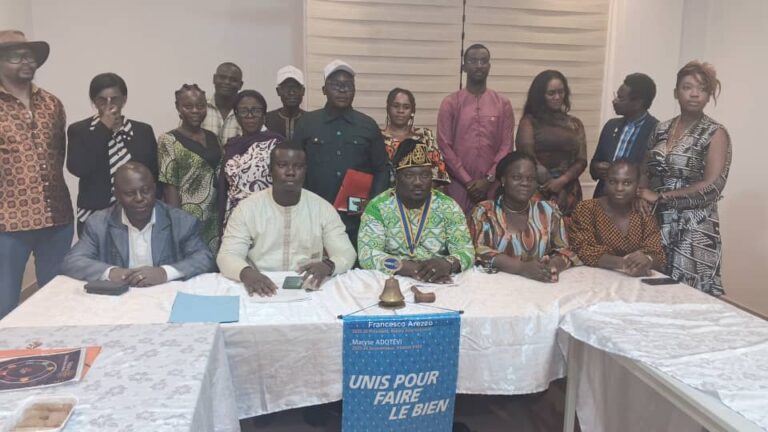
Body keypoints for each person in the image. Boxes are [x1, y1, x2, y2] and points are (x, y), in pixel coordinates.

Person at [638, 61, 732, 296]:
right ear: (676, 92)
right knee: (652, 288)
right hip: (657, 219)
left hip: (695, 224)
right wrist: (641, 194)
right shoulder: (661, 128)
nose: (694, 93)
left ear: (708, 96)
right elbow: (645, 168)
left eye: (702, 89)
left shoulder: (715, 132)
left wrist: (661, 197)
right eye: (687, 87)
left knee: (688, 294)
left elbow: (713, 185)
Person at [217, 141, 356, 297]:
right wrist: (246, 273)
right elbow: (228, 255)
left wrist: (328, 266)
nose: (290, 172)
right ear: (270, 170)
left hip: (308, 289)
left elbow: (346, 253)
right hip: (260, 289)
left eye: (298, 166)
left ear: (305, 171)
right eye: (282, 165)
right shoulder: (247, 209)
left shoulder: (322, 208)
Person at [0, 30, 73, 318]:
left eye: (29, 56)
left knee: (56, 301)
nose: (26, 61)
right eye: (16, 56)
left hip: (57, 218)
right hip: (7, 222)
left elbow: (58, 153)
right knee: (5, 304)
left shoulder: (52, 104)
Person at [61, 162, 215, 284]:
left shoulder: (180, 221)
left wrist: (164, 273)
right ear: (117, 195)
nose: (140, 198)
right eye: (130, 193)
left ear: (154, 189)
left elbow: (204, 258)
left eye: (146, 191)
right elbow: (72, 261)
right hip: (117, 302)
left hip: (165, 297)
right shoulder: (99, 223)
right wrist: (112, 273)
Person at [293, 59, 389, 246]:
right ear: (324, 90)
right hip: (314, 212)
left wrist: (371, 204)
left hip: (355, 215)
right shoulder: (307, 123)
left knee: (354, 261)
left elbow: (381, 169)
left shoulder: (367, 125)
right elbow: (295, 167)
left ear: (354, 90)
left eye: (348, 85)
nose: (343, 90)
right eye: (336, 85)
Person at [358, 139, 474, 282]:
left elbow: (466, 251)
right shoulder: (378, 207)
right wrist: (409, 268)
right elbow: (367, 254)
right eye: (409, 175)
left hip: (440, 278)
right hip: (393, 280)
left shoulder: (448, 207)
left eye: (425, 175)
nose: (418, 182)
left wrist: (448, 264)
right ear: (397, 177)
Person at [67, 72, 159, 234]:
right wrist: (103, 128)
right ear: (94, 101)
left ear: (124, 99)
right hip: (94, 215)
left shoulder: (143, 131)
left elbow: (154, 174)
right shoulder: (79, 130)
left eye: (115, 99)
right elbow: (78, 168)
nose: (109, 105)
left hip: (138, 215)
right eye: (102, 100)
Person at [469, 152, 577, 282]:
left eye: (531, 179)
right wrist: (521, 268)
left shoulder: (549, 211)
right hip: (495, 287)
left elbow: (565, 250)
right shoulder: (484, 211)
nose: (525, 183)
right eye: (517, 177)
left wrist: (551, 266)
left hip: (540, 285)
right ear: (503, 180)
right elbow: (478, 250)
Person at [437, 43, 514, 212]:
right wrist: (467, 181)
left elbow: (507, 146)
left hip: (493, 186)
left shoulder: (502, 104)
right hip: (458, 185)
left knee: (492, 226)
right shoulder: (450, 103)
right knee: (458, 226)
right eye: (473, 61)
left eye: (483, 61)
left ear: (489, 66)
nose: (479, 65)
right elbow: (444, 146)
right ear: (464, 67)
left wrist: (488, 179)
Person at [569, 161, 665, 276]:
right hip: (594, 277)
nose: (619, 188)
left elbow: (657, 255)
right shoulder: (588, 208)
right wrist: (624, 263)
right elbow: (583, 250)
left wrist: (648, 260)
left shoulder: (643, 211)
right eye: (612, 182)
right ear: (605, 182)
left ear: (637, 185)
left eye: (627, 183)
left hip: (636, 280)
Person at [158, 84, 221, 252]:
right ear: (178, 107)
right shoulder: (168, 140)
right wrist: (178, 225)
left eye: (200, 106)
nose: (195, 111)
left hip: (215, 218)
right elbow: (169, 185)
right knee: (193, 262)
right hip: (188, 218)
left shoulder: (213, 137)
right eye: (188, 106)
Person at [516, 70, 587, 217]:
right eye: (551, 93)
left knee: (568, 230)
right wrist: (554, 186)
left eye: (561, 92)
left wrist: (562, 181)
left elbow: (582, 160)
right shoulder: (529, 122)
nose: (557, 97)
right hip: (538, 189)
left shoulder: (575, 123)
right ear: (540, 96)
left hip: (570, 190)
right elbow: (528, 158)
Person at [218, 90, 284, 227]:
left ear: (264, 115)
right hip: (235, 219)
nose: (250, 115)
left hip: (266, 218)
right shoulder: (231, 146)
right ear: (236, 115)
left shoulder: (277, 144)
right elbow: (225, 187)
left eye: (256, 111)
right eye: (244, 111)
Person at [590, 73, 658, 198]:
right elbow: (594, 165)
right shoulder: (610, 126)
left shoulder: (657, 131)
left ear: (638, 102)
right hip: (603, 199)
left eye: (620, 98)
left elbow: (654, 175)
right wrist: (597, 168)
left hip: (634, 202)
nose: (614, 101)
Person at [382, 87, 449, 185]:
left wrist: (418, 191)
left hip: (421, 192)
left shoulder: (425, 136)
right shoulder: (378, 137)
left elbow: (439, 174)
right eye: (396, 106)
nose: (400, 110)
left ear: (412, 111)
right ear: (388, 108)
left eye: (406, 107)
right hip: (386, 193)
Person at [201, 62, 244, 146]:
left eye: (233, 80)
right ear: (214, 79)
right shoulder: (198, 108)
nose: (227, 82)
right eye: (222, 77)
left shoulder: (247, 113)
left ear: (240, 85)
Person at [265, 65, 305, 140]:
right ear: (278, 91)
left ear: (303, 91)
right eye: (286, 88)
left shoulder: (310, 120)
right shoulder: (266, 120)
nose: (291, 92)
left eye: (296, 87)